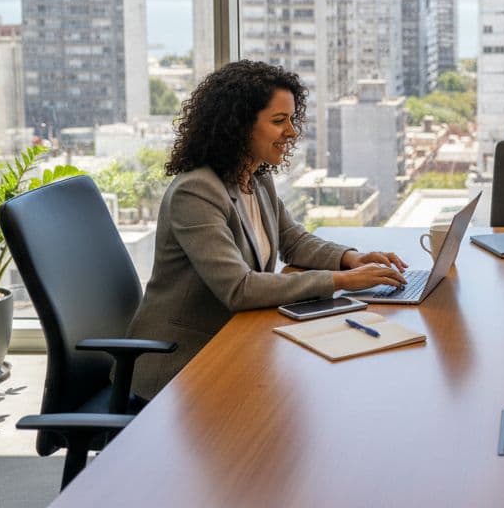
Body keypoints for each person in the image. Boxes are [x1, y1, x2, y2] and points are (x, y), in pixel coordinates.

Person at [126, 60, 407, 399]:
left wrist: (351, 259)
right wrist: (341, 282)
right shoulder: (196, 192)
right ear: (238, 126)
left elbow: (293, 240)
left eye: (291, 119)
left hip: (233, 344)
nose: (291, 132)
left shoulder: (256, 177)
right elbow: (239, 288)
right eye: (278, 121)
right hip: (179, 367)